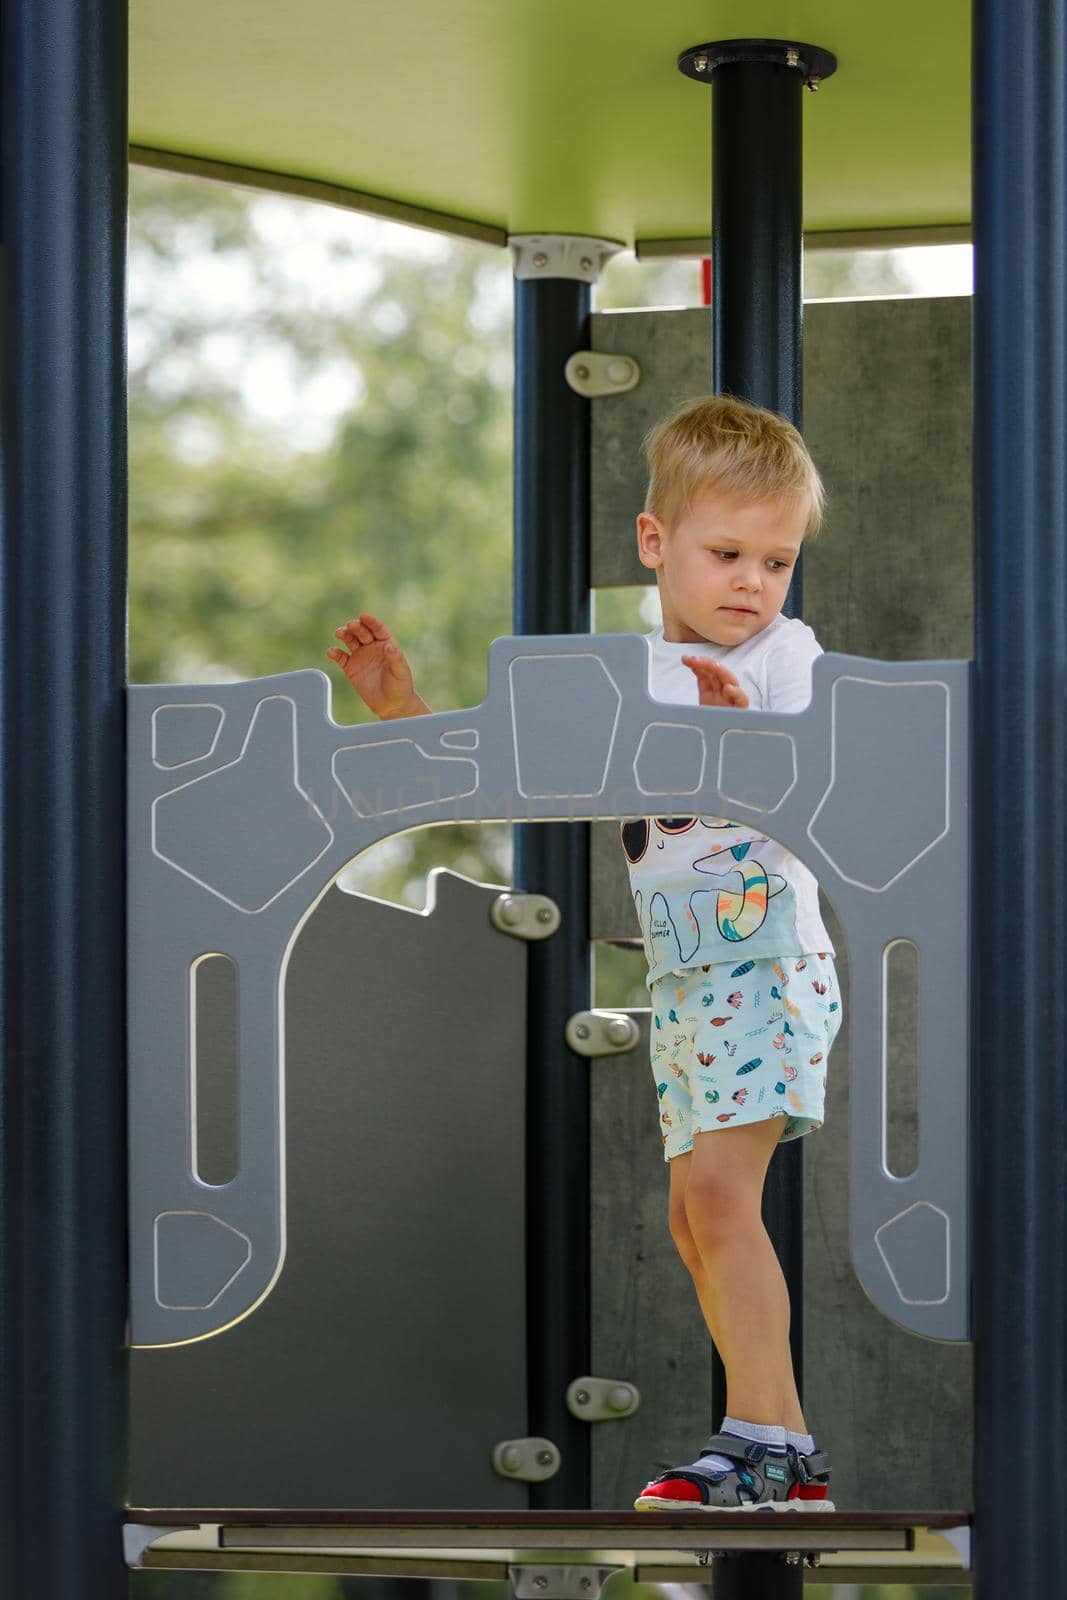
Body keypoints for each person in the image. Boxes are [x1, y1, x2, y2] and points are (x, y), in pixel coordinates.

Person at [324, 392, 844, 1514]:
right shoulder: (626, 680)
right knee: (687, 1215)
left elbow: (812, 773)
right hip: (687, 978)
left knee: (716, 1196)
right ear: (654, 545)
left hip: (765, 963)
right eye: (724, 553)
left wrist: (735, 733)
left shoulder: (786, 660)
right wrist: (404, 711)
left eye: (775, 559)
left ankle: (757, 1434)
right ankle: (786, 1453)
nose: (751, 582)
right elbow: (510, 773)